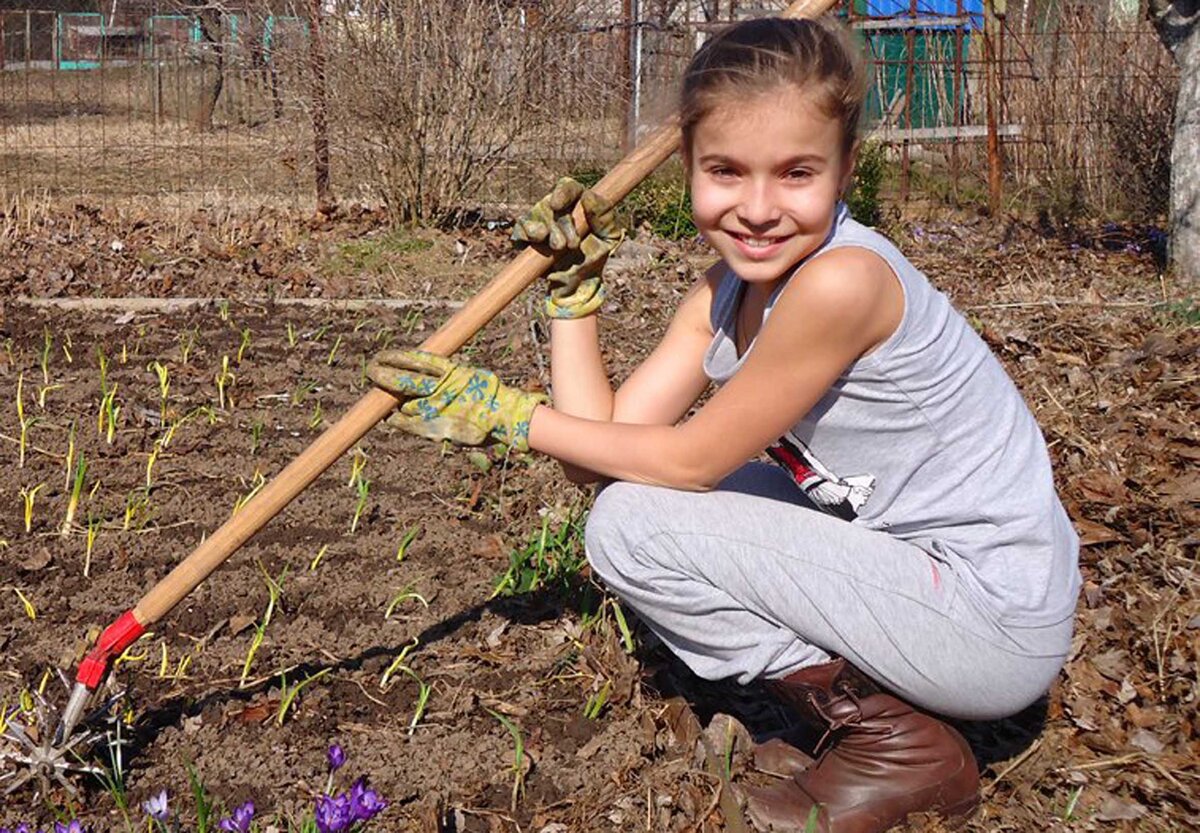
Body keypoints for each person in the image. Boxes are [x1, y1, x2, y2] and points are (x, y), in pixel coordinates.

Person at [366, 15, 1081, 833]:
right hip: (918, 566)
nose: (759, 207)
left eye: (797, 172)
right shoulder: (723, 294)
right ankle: (878, 712)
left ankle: (897, 744)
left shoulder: (843, 283)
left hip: (993, 617)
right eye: (727, 171)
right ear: (688, 170)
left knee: (635, 526)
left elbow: (690, 462)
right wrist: (573, 299)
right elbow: (600, 457)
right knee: (628, 504)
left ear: (847, 169)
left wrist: (508, 416)